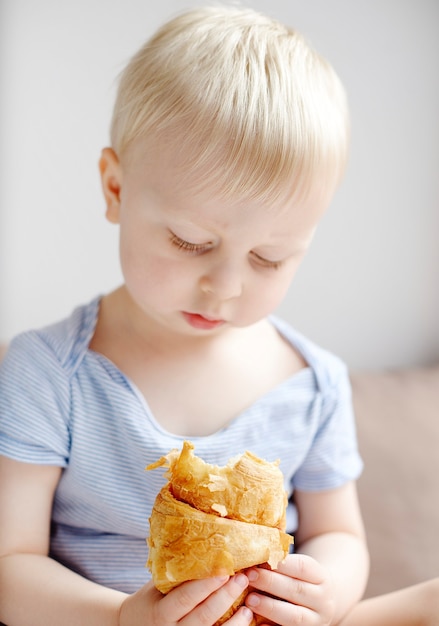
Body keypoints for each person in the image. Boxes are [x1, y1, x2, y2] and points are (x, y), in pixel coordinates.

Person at [3, 5, 423, 625]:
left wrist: (327, 590)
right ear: (116, 189)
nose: (224, 287)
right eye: (190, 242)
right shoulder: (49, 374)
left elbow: (342, 536)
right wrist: (122, 618)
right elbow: (10, 567)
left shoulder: (314, 384)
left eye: (269, 257)